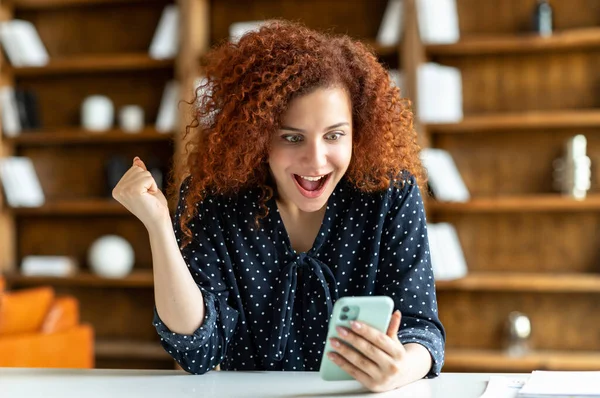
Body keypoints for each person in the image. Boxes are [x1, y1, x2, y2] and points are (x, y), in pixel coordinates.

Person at [112, 20, 445, 393]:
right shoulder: (214, 197)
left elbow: (422, 329)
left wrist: (401, 367)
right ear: (257, 137)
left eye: (334, 135)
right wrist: (159, 226)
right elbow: (198, 349)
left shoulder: (390, 193)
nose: (316, 161)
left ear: (359, 131)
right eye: (291, 137)